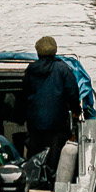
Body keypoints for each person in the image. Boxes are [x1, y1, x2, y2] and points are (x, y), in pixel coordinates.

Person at [20, 37, 80, 182]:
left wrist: (21, 117)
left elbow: (24, 94)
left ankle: (33, 179)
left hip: (35, 122)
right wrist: (77, 112)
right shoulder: (63, 69)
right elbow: (72, 94)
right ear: (54, 52)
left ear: (38, 53)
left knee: (35, 153)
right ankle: (52, 181)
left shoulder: (30, 69)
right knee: (54, 155)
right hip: (56, 123)